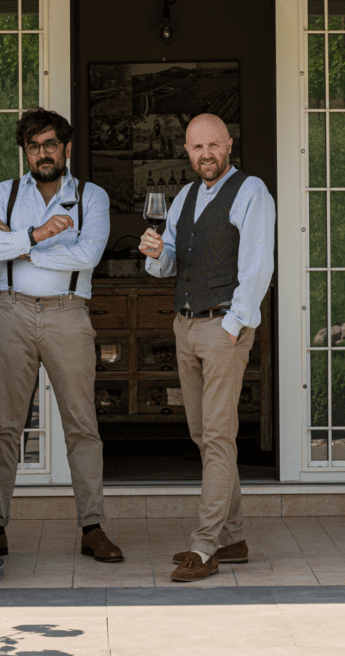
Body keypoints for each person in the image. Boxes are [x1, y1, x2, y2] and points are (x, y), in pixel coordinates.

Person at [0, 108, 124, 563]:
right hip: (12, 313)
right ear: (26, 151)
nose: (43, 153)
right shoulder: (7, 192)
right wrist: (38, 234)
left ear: (67, 148)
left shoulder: (91, 196)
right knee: (4, 426)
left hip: (68, 314)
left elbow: (89, 254)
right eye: (34, 146)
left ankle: (92, 527)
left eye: (50, 144)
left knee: (82, 425)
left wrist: (20, 247)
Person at [139, 114, 275, 582]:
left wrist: (235, 325)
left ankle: (206, 544)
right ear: (187, 151)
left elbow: (257, 265)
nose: (206, 154)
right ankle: (234, 537)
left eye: (214, 145)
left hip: (223, 327)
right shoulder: (184, 196)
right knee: (202, 435)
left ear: (229, 145)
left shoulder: (251, 190)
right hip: (186, 325)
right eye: (197, 147)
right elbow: (169, 263)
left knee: (217, 437)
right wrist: (155, 254)